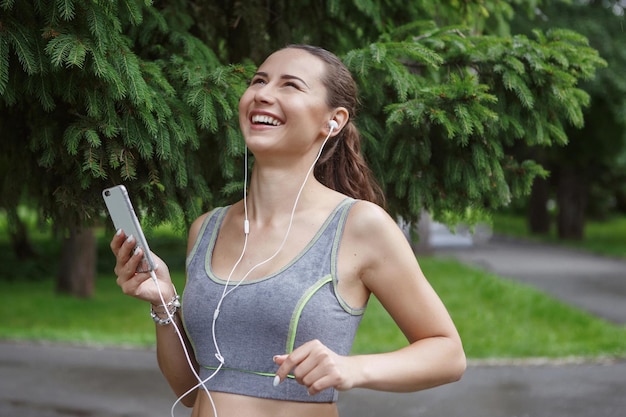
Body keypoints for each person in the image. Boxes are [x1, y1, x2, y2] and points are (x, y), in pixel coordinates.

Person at [110, 44, 465, 417]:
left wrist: (352, 368)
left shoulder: (360, 226)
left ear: (334, 121)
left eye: (290, 86)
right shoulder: (207, 229)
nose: (262, 94)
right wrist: (163, 303)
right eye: (258, 81)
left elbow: (447, 352)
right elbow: (191, 391)